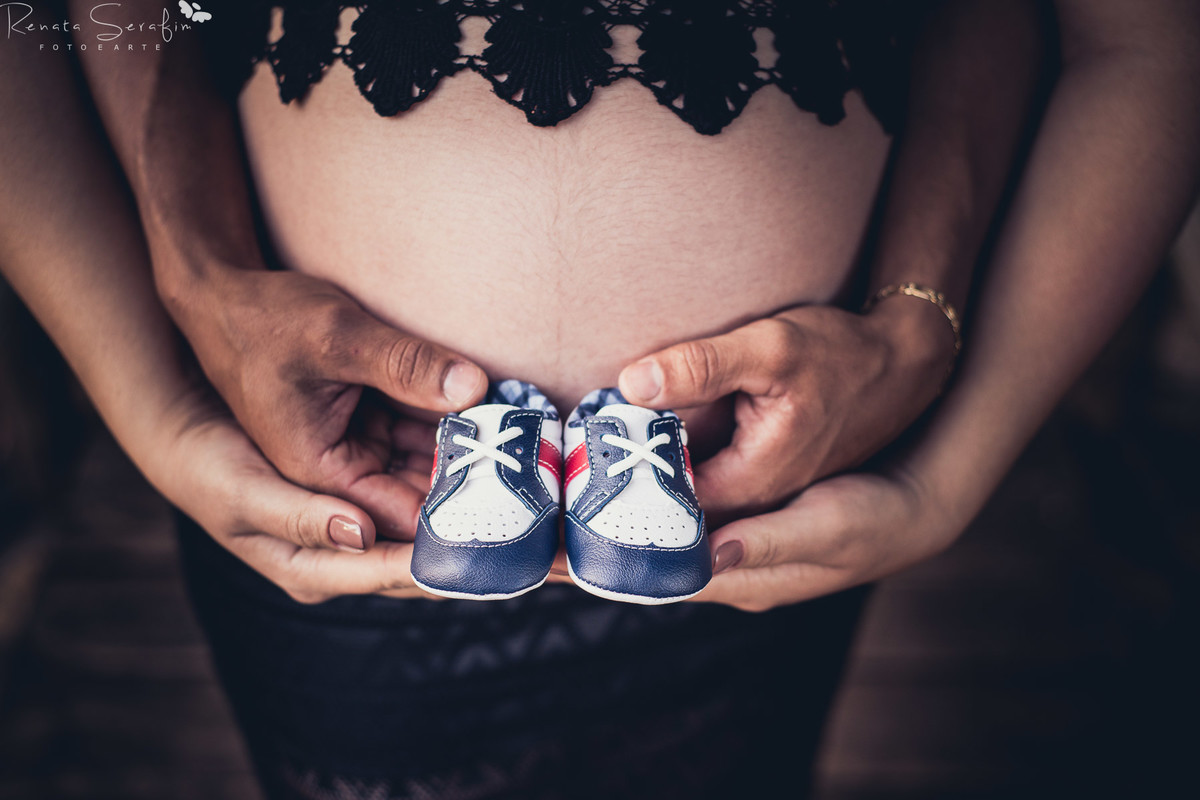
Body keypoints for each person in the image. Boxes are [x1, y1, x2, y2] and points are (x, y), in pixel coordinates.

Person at [3, 0, 1197, 797]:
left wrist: (935, 422)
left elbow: (1123, 33)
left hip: (755, 503)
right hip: (358, 499)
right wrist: (168, 341)